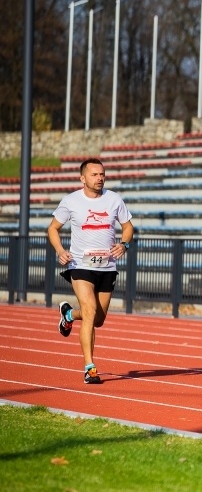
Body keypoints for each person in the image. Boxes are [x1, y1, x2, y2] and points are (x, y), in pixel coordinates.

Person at [47, 158, 134, 384]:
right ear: (82, 178)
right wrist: (60, 251)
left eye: (102, 174)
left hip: (107, 266)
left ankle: (68, 315)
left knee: (98, 319)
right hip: (80, 265)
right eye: (94, 175)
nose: (100, 178)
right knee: (89, 309)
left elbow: (128, 226)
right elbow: (53, 228)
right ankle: (90, 368)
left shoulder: (114, 199)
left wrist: (124, 244)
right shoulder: (71, 201)